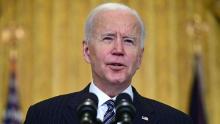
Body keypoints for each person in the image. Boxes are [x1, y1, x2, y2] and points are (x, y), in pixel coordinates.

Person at [24, 3, 193, 124]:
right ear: (87, 51)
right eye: (108, 38)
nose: (118, 49)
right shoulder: (43, 116)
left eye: (128, 41)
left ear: (140, 57)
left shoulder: (175, 120)